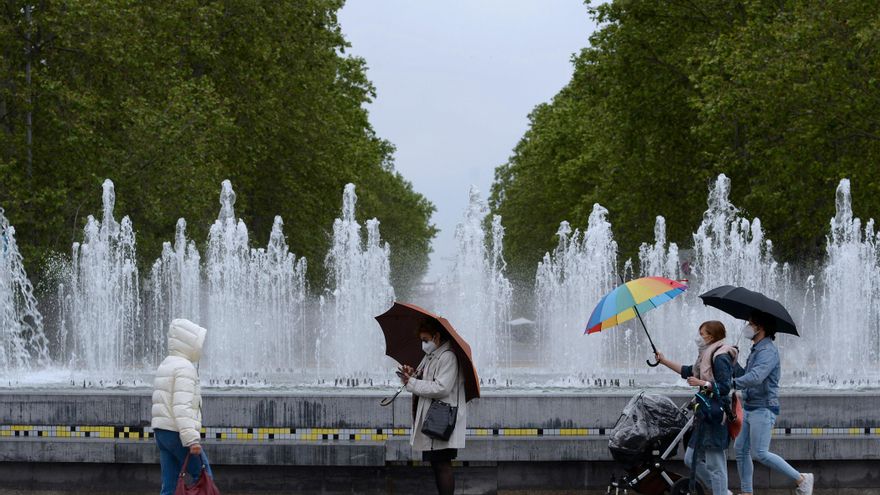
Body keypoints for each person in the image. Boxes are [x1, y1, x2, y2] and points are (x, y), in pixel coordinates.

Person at [732, 311, 814, 495]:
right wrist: (734, 362)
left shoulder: (768, 351)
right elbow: (745, 374)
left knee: (760, 452)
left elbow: (756, 377)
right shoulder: (757, 349)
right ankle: (746, 491)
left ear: (761, 327)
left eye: (751, 323)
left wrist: (731, 384)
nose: (747, 326)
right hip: (751, 406)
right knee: (740, 449)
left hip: (763, 407)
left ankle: (802, 479)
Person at [656, 321, 736, 495]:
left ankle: (721, 492)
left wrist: (702, 383)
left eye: (702, 333)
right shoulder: (706, 355)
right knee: (691, 458)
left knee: (716, 464)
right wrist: (663, 361)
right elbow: (688, 371)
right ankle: (722, 491)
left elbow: (724, 387)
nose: (699, 337)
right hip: (704, 413)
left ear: (712, 336)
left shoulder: (720, 356)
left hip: (715, 414)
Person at [400, 322, 467, 495]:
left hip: (442, 418)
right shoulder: (433, 355)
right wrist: (411, 375)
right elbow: (426, 380)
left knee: (442, 464)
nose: (423, 344)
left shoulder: (448, 356)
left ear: (436, 336)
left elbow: (441, 388)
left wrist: (412, 383)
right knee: (437, 464)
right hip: (434, 417)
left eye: (426, 339)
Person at [151, 318, 213, 495]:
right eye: (198, 342)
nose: (201, 347)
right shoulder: (185, 368)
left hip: (162, 431)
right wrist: (192, 440)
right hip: (178, 433)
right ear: (189, 343)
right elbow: (181, 407)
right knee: (203, 477)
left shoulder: (167, 364)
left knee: (169, 485)